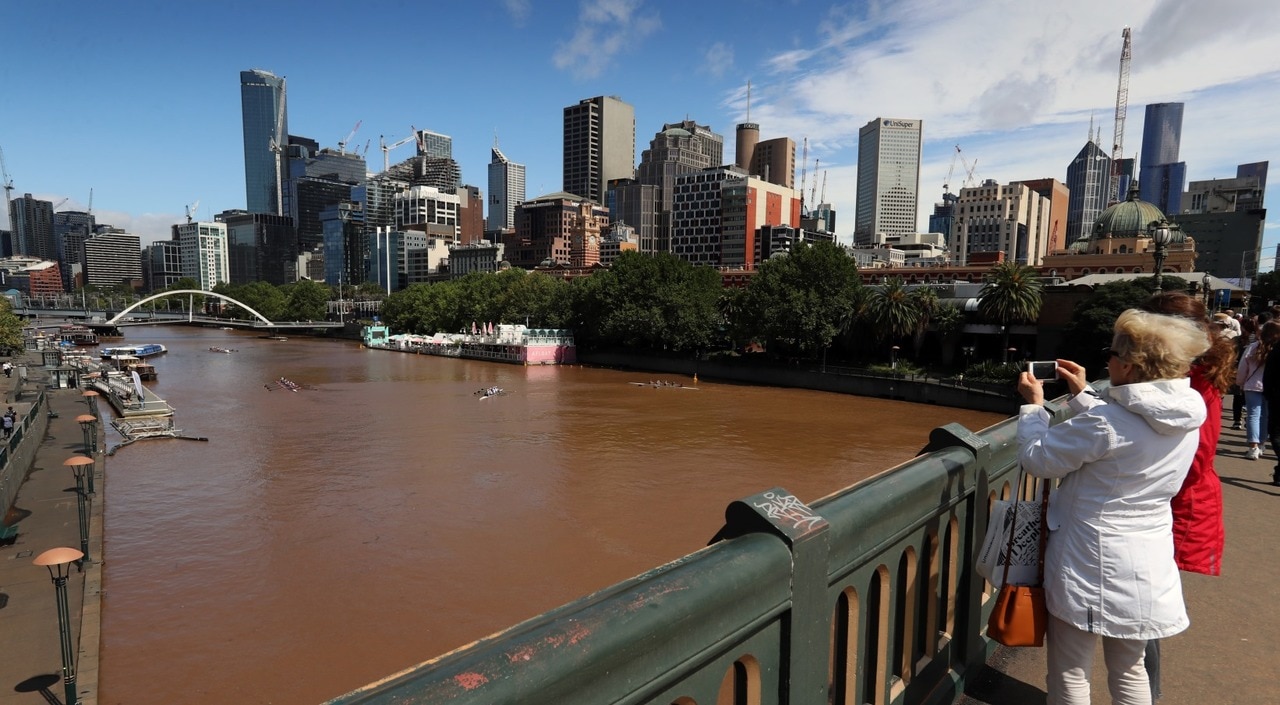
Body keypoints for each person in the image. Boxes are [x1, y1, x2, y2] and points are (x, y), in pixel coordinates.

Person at [1017, 309, 1209, 705]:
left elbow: (1038, 459)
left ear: (1127, 366)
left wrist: (1035, 407)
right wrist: (1083, 395)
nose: (1107, 361)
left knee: (1071, 669)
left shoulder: (1107, 423)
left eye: (1112, 354)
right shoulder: (1185, 416)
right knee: (1130, 668)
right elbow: (1127, 433)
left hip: (1090, 558)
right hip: (1146, 559)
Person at [1140, 292, 1234, 699]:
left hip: (1177, 510)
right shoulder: (1184, 375)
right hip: (1168, 507)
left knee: (1143, 617)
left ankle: (1148, 696)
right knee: (1141, 615)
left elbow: (1196, 459)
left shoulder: (1197, 383)